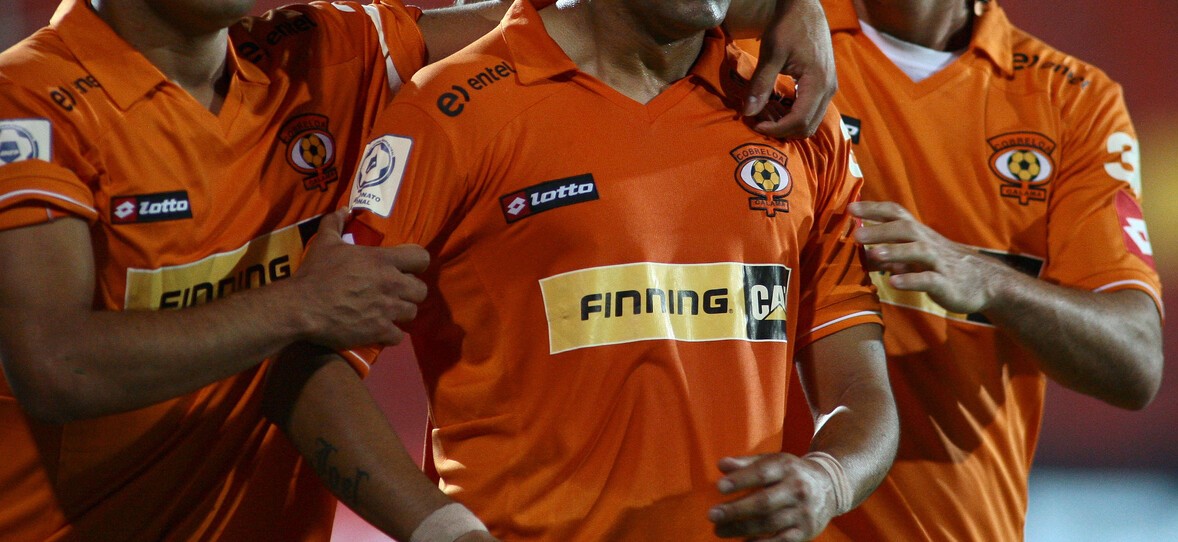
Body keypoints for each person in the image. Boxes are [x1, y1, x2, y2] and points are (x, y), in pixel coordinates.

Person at [0, 0, 840, 540]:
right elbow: (56, 365)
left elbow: (588, 19)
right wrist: (298, 306)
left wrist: (791, 6)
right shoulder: (26, 98)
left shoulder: (322, 51)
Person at [270, 0, 900, 540]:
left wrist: (830, 480)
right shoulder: (450, 111)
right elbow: (311, 369)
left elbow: (859, 387)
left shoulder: (796, 122)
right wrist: (446, 532)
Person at [740, 0, 1164, 539]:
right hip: (762, 518)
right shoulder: (770, 40)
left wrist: (989, 282)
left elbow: (1136, 359)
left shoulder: (1074, 99)